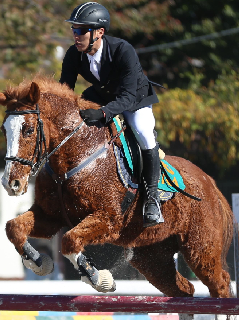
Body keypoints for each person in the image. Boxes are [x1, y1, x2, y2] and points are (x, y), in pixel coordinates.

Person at [59, 2, 163, 227]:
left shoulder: (123, 50)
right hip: (102, 94)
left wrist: (103, 114)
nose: (76, 36)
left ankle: (152, 200)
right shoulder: (73, 54)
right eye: (74, 30)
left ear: (99, 32)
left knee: (144, 134)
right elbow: (65, 90)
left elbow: (125, 98)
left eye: (81, 31)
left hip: (135, 99)